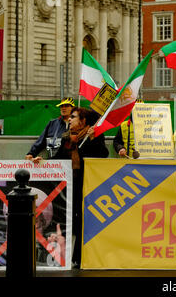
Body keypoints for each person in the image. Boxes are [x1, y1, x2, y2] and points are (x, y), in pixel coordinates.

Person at [52, 107, 109, 267]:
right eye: (70, 117)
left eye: (74, 117)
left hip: (88, 185)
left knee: (85, 220)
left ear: (83, 121)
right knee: (71, 219)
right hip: (71, 185)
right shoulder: (66, 138)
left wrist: (92, 139)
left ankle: (80, 257)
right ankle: (65, 256)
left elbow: (102, 155)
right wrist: (38, 160)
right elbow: (57, 159)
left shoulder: (94, 135)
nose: (69, 119)